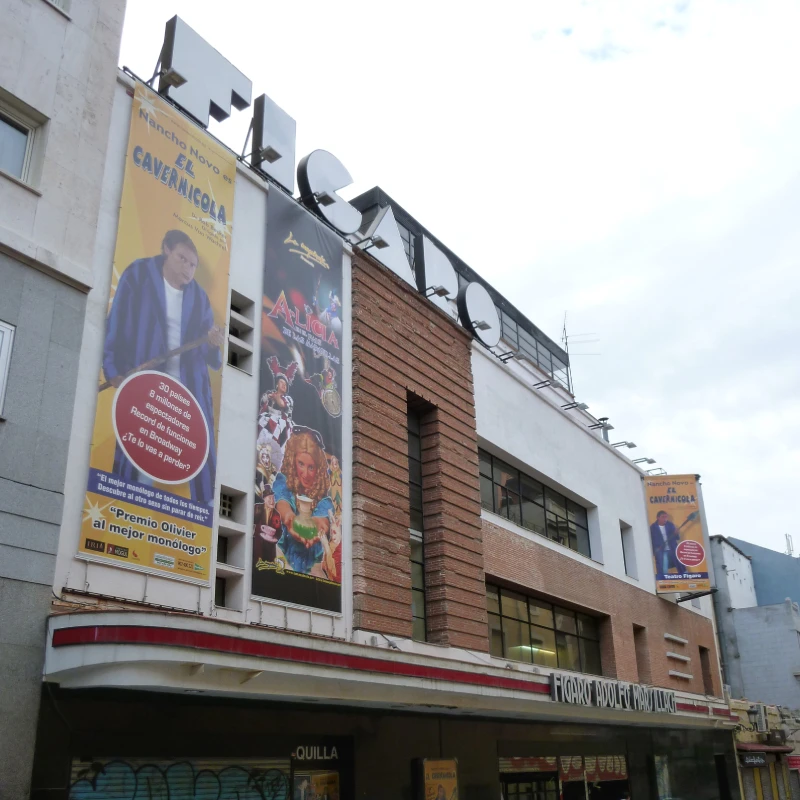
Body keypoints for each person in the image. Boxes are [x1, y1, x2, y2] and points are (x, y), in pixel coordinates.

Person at [103, 230, 224, 504]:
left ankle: (204, 508)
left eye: (193, 265)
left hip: (189, 390)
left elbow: (208, 353)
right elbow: (116, 323)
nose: (188, 269)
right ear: (166, 250)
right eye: (182, 259)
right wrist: (112, 370)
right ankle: (127, 503)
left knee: (199, 453)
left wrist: (213, 343)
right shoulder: (138, 275)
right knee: (140, 448)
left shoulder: (199, 297)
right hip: (146, 383)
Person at [273, 428, 334, 574]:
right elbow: (282, 501)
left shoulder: (324, 501)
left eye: (311, 467)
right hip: (281, 563)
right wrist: (289, 518)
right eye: (301, 464)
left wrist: (317, 526)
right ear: (292, 461)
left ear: (318, 469)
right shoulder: (283, 482)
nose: (305, 474)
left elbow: (323, 520)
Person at [650, 510, 680, 575]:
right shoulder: (653, 527)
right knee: (663, 567)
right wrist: (654, 550)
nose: (665, 519)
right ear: (658, 518)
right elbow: (651, 540)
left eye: (666, 517)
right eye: (663, 517)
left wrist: (676, 533)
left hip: (672, 548)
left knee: (679, 563)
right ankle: (662, 578)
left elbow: (677, 538)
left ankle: (685, 575)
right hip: (660, 550)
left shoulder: (670, 525)